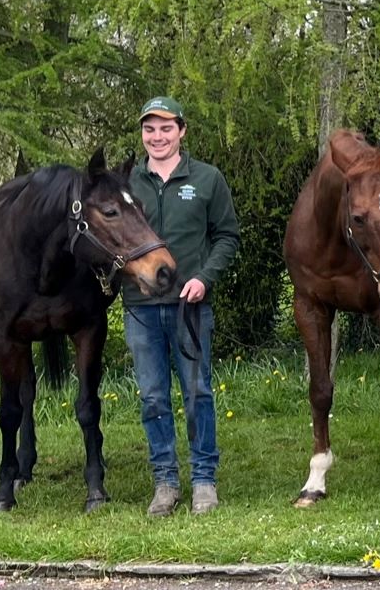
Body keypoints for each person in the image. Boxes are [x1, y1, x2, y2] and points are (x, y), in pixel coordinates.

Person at [122, 96, 241, 517]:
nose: (157, 137)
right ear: (142, 134)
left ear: (182, 131)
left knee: (197, 393)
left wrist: (203, 279)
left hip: (191, 307)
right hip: (140, 308)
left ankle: (204, 480)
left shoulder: (207, 179)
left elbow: (228, 236)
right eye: (150, 129)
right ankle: (166, 482)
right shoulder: (128, 184)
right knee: (153, 397)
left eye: (166, 128)